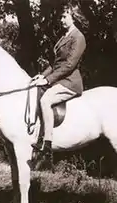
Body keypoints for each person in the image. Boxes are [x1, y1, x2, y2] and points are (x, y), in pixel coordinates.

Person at [31, 5, 86, 154]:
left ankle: (47, 142)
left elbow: (69, 65)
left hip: (70, 82)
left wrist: (48, 81)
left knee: (45, 100)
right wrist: (42, 75)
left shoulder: (78, 37)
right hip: (60, 79)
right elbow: (55, 63)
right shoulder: (64, 37)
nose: (61, 20)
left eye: (64, 17)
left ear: (73, 17)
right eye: (61, 17)